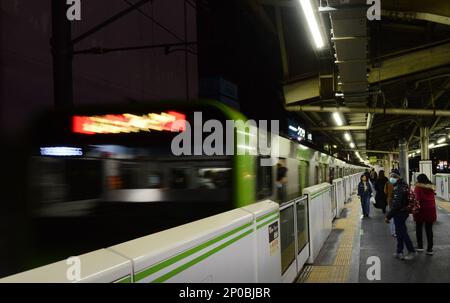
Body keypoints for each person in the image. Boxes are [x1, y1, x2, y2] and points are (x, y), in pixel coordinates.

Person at [385, 169, 416, 260]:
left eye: (392, 176)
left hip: (400, 213)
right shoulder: (403, 185)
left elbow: (396, 205)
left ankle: (412, 251)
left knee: (402, 232)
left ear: (396, 177)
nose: (391, 178)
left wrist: (388, 216)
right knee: (399, 232)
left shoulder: (398, 188)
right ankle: (399, 251)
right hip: (403, 212)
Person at [413, 174, 437, 255]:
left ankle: (420, 246)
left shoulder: (418, 188)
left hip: (421, 211)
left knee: (419, 228)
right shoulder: (431, 187)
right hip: (431, 210)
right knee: (429, 229)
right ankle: (430, 249)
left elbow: (416, 200)